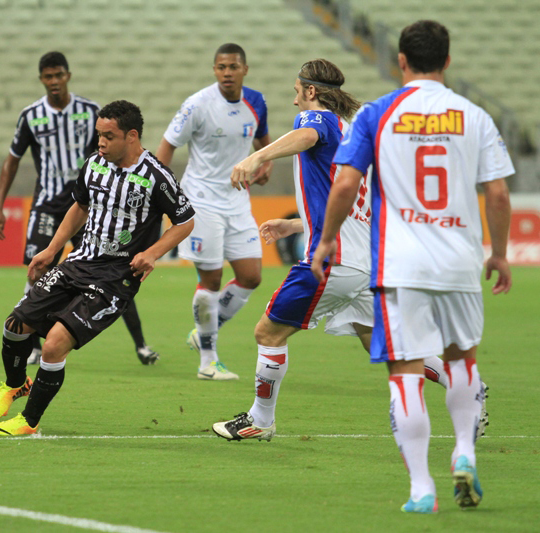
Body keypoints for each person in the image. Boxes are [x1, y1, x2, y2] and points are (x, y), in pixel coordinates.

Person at [212, 59, 487, 443]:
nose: (295, 102)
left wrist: (257, 156)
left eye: (297, 92)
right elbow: (353, 204)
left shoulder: (318, 120)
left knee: (268, 333)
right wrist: (295, 225)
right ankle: (464, 383)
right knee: (377, 340)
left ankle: (261, 419)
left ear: (311, 91)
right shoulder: (352, 134)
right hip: (364, 262)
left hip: (333, 262)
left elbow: (306, 136)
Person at [311, 20, 513, 513]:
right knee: (462, 358)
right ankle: (464, 452)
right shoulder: (473, 115)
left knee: (404, 371)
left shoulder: (377, 113)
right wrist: (501, 253)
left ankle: (422, 487)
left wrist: (328, 239)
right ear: (447, 61)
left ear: (401, 61)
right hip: (460, 261)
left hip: (399, 264)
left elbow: (343, 185)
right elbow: (498, 192)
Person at [0, 100, 195, 436]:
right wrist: (52, 250)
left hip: (115, 280)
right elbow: (79, 206)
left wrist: (153, 253)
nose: (99, 142)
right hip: (77, 263)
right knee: (15, 325)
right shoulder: (95, 164)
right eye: (98, 135)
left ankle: (29, 421)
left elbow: (185, 221)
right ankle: (15, 385)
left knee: (54, 343)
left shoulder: (156, 176)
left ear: (131, 137)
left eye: (107, 136)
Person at [0, 51, 161, 369]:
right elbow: (13, 158)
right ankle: (32, 344)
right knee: (39, 270)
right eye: (48, 76)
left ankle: (140, 344)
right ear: (41, 79)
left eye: (59, 75)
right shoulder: (30, 115)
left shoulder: (88, 112)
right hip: (47, 204)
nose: (54, 81)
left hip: (88, 205)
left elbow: (109, 153)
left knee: (113, 269)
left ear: (68, 75)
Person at [156, 43, 272, 380]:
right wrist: (161, 196)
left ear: (244, 70)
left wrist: (263, 162)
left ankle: (203, 330)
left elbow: (262, 143)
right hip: (201, 200)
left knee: (251, 276)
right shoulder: (198, 104)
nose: (227, 73)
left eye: (233, 67)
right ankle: (208, 360)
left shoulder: (257, 102)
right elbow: (166, 147)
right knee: (212, 279)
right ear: (214, 70)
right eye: (221, 67)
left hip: (237, 200)